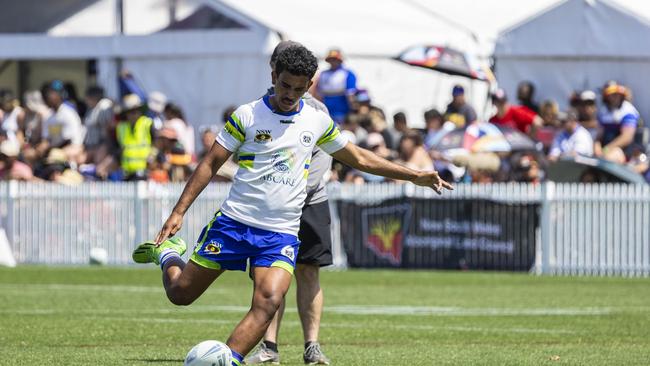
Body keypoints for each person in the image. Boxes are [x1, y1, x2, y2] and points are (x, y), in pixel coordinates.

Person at [131, 44, 452, 366]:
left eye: (299, 88)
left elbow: (358, 157)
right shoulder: (247, 114)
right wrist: (178, 212)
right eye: (285, 85)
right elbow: (209, 164)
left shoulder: (316, 121)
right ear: (274, 76)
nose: (290, 94)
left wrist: (413, 176)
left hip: (280, 232)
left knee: (269, 300)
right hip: (234, 223)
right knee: (181, 294)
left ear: (310, 86)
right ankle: (168, 253)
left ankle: (230, 359)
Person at [245, 40, 336, 365]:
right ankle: (268, 347)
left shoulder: (317, 111)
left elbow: (325, 158)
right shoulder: (256, 108)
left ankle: (312, 346)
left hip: (310, 203)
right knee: (269, 276)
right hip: (272, 206)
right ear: (274, 70)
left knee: (309, 272)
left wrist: (299, 192)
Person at [39, 80, 85, 164]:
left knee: (54, 156)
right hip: (55, 149)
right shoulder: (48, 116)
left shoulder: (69, 113)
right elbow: (46, 139)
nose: (49, 96)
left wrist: (50, 149)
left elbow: (67, 140)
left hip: (73, 147)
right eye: (49, 93)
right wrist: (41, 147)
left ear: (60, 95)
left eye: (52, 93)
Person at [596, 82, 639, 164]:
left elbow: (626, 138)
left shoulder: (628, 110)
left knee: (609, 158)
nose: (614, 97)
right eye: (611, 95)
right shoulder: (603, 111)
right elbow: (599, 136)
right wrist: (596, 147)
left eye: (617, 94)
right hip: (604, 150)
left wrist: (606, 149)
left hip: (623, 151)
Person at [115, 94, 155, 181]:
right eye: (130, 112)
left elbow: (157, 143)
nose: (133, 114)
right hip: (127, 175)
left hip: (145, 174)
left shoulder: (148, 124)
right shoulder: (121, 127)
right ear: (126, 114)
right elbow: (118, 149)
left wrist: (153, 154)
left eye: (135, 111)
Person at [315, 49, 357, 124]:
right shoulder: (323, 74)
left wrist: (353, 110)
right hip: (326, 110)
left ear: (340, 60)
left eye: (335, 59)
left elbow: (350, 94)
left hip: (343, 110)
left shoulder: (347, 74)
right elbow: (318, 94)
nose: (333, 62)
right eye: (331, 59)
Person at [83, 85, 114, 165]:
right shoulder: (91, 110)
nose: (86, 100)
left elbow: (108, 128)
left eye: (87, 97)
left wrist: (104, 146)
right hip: (90, 146)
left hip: (101, 145)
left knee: (99, 165)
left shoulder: (104, 106)